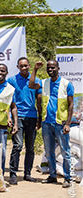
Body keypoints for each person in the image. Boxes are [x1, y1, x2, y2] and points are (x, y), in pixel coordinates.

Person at [29, 60, 75, 188]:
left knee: (65, 151)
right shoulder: (44, 83)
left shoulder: (66, 84)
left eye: (53, 68)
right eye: (48, 68)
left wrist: (68, 124)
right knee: (49, 151)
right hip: (47, 123)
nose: (50, 70)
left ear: (58, 68)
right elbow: (31, 85)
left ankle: (68, 177)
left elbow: (71, 105)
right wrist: (35, 69)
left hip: (61, 123)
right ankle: (52, 175)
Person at [8, 57, 39, 183]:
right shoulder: (11, 80)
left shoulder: (36, 80)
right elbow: (8, 100)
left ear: (29, 66)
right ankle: (13, 174)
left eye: (26, 66)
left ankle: (27, 173)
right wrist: (8, 116)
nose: (24, 68)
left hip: (32, 116)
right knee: (18, 145)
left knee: (30, 147)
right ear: (17, 67)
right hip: (18, 116)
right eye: (21, 66)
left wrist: (40, 118)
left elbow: (39, 100)